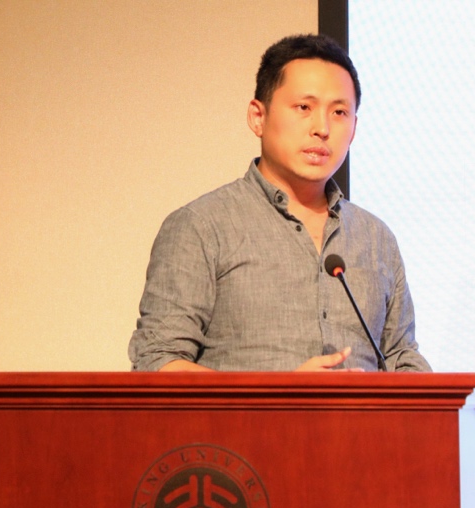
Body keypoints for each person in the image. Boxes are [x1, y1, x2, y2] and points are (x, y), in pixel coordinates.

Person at [129, 34, 430, 373]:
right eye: (304, 108)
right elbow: (158, 362)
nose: (322, 128)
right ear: (258, 117)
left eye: (339, 112)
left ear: (354, 128)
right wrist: (280, 395)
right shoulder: (200, 227)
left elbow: (402, 358)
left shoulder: (376, 238)